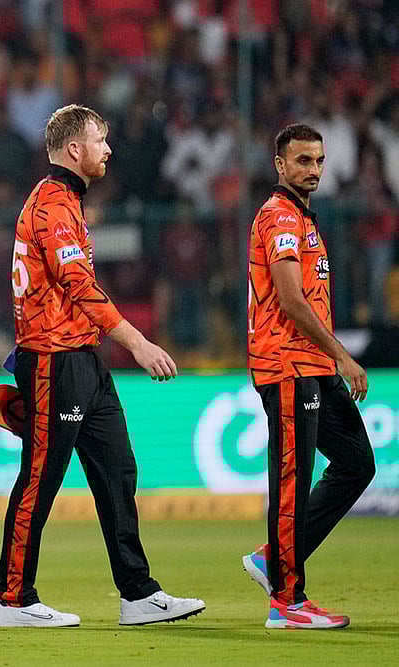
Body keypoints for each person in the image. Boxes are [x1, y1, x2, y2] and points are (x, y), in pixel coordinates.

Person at [0, 104, 206, 628]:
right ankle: (12, 599)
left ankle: (137, 594)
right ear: (74, 149)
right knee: (40, 478)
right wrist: (138, 344)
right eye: (100, 140)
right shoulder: (52, 205)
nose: (108, 150)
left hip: (83, 358)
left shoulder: (67, 202)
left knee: (118, 470)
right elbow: (78, 286)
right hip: (54, 360)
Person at [242, 124, 376, 629]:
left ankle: (272, 558)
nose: (313, 169)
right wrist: (342, 355)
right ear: (280, 165)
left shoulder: (301, 217)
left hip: (313, 367)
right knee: (291, 480)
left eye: (318, 160)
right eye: (302, 161)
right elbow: (292, 301)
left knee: (357, 463)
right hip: (288, 366)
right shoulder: (279, 215)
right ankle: (287, 602)